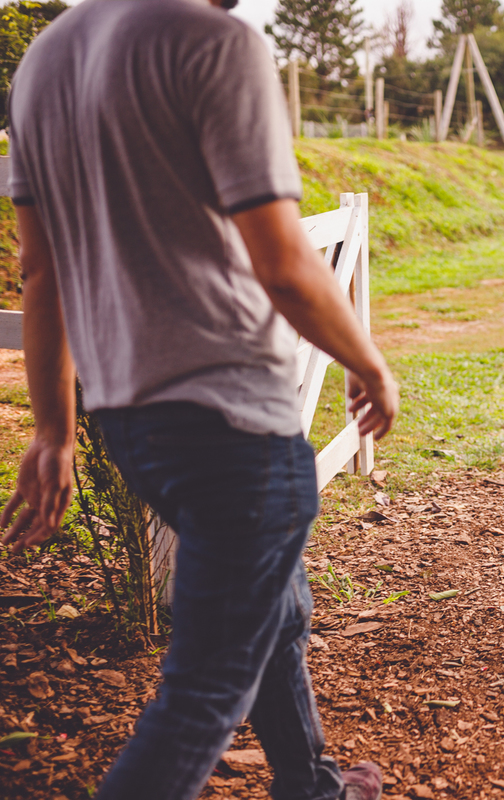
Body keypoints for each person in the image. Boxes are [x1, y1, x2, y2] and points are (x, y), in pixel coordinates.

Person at [0, 0, 399, 798]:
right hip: (236, 427)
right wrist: (368, 359)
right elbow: (282, 260)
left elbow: (41, 273)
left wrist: (54, 430)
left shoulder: (46, 60)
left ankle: (312, 786)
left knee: (274, 612)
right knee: (203, 694)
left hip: (134, 424)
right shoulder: (216, 45)